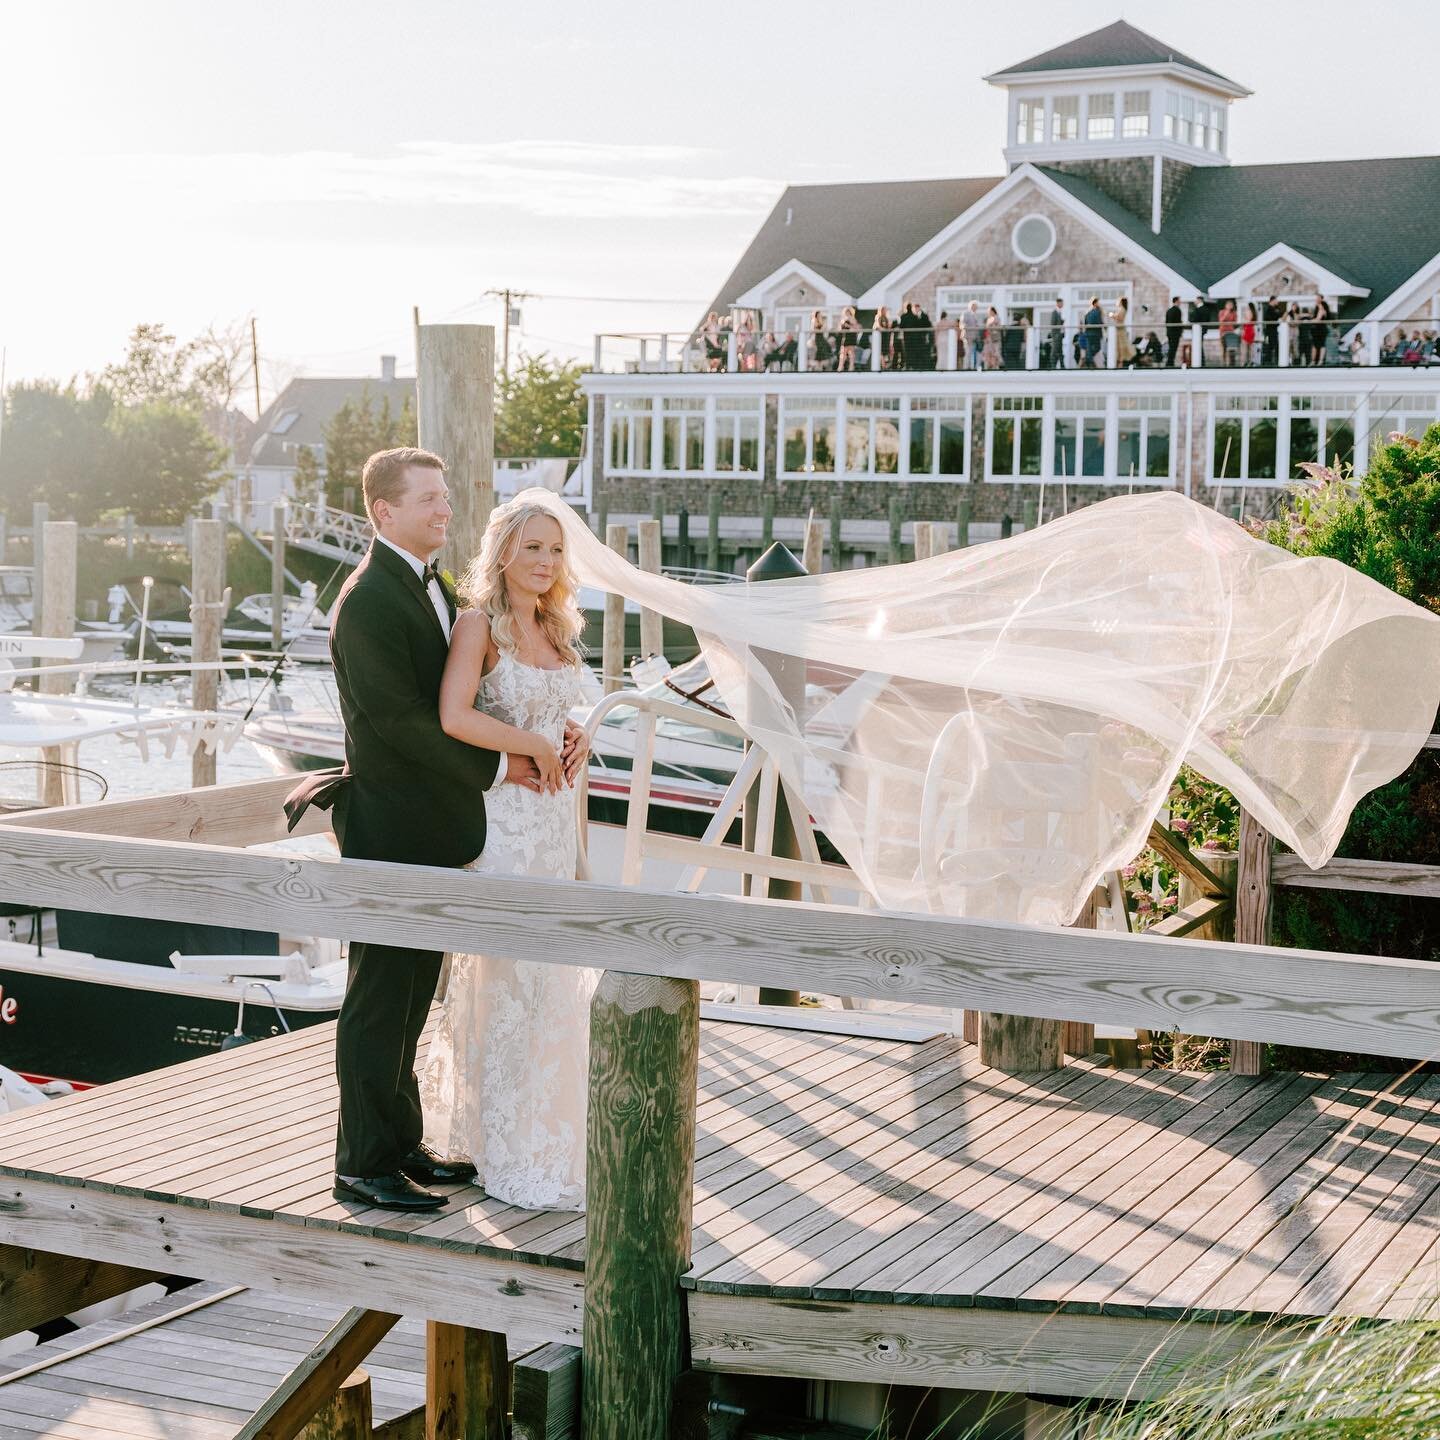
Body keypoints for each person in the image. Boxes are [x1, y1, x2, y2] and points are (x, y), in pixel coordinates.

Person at [283, 448, 586, 1214]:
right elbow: (399, 725)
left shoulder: (437, 588)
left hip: (435, 827)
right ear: (384, 511)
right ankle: (361, 1163)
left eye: (445, 499)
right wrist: (499, 770)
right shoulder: (366, 600)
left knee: (417, 995)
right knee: (379, 999)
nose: (444, 511)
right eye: (427, 500)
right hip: (387, 824)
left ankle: (403, 1139)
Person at [422, 497, 597, 1211]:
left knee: (554, 980)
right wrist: (529, 743)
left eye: (554, 550)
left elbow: (574, 704)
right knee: (506, 980)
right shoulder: (476, 626)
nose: (545, 562)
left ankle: (548, 1133)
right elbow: (454, 716)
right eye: (531, 548)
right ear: (502, 554)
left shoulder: (557, 626)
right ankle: (494, 1139)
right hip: (507, 822)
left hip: (557, 823)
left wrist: (582, 733)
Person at [836, 305, 861, 372]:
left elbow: (856, 328)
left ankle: (851, 367)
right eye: (846, 312)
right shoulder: (843, 320)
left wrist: (849, 326)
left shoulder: (852, 319)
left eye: (848, 311)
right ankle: (840, 367)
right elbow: (840, 329)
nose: (847, 313)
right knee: (843, 353)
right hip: (845, 337)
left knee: (851, 353)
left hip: (851, 337)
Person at [1111, 297, 1134, 368]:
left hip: (1120, 330)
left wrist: (1112, 315)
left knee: (1121, 348)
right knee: (1119, 348)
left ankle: (1120, 364)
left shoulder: (1122, 309)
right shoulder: (1121, 309)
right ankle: (1119, 364)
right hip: (1119, 330)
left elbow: (1119, 318)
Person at [1083, 297, 1104, 368]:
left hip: (1088, 333)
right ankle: (1089, 360)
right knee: (1097, 348)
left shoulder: (1087, 312)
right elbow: (1099, 322)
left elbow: (1085, 323)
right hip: (1095, 333)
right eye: (1098, 302)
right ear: (1095, 303)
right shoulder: (1097, 311)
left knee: (1089, 349)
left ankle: (1089, 360)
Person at [962, 300, 983, 371]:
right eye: (974, 306)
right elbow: (963, 324)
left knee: (973, 353)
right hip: (968, 337)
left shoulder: (975, 315)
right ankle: (966, 368)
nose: (975, 308)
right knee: (968, 353)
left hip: (975, 338)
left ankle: (972, 367)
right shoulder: (966, 313)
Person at [1218, 300, 1239, 367]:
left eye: (1231, 305)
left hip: (1230, 331)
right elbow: (1221, 320)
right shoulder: (1222, 312)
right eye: (1229, 305)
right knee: (1224, 348)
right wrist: (1227, 313)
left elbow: (1235, 322)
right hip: (1223, 332)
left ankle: (1232, 364)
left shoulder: (1234, 313)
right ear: (1226, 305)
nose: (1230, 306)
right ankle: (1223, 363)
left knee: (1231, 348)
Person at [1165, 297, 1184, 367]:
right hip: (1175, 333)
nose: (1180, 303)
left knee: (1171, 348)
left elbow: (1166, 322)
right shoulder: (1177, 310)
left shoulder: (1169, 310)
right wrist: (1180, 331)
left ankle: (1169, 362)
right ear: (1176, 301)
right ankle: (1170, 363)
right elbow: (1178, 322)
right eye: (1179, 301)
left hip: (1169, 333)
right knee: (1173, 348)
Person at [1047, 298, 1065, 370]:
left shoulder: (1059, 312)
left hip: (1059, 335)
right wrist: (1056, 334)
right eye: (1062, 303)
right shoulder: (1054, 312)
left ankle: (1062, 366)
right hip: (1056, 335)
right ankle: (1053, 366)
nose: (1063, 304)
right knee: (1054, 351)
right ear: (1058, 303)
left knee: (1060, 351)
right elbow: (1053, 324)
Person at [981, 306, 1002, 370]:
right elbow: (986, 329)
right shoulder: (988, 319)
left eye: (990, 311)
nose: (989, 313)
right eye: (988, 312)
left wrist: (992, 326)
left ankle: (997, 366)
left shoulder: (997, 318)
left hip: (995, 339)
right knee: (988, 353)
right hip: (989, 339)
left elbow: (997, 327)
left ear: (993, 311)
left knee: (996, 353)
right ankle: (988, 367)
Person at [1241, 303, 1257, 367]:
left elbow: (1247, 320)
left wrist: (1244, 317)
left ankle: (1244, 363)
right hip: (1251, 330)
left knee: (1245, 348)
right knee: (1250, 348)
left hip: (1247, 330)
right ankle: (1250, 361)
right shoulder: (1253, 313)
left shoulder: (1249, 312)